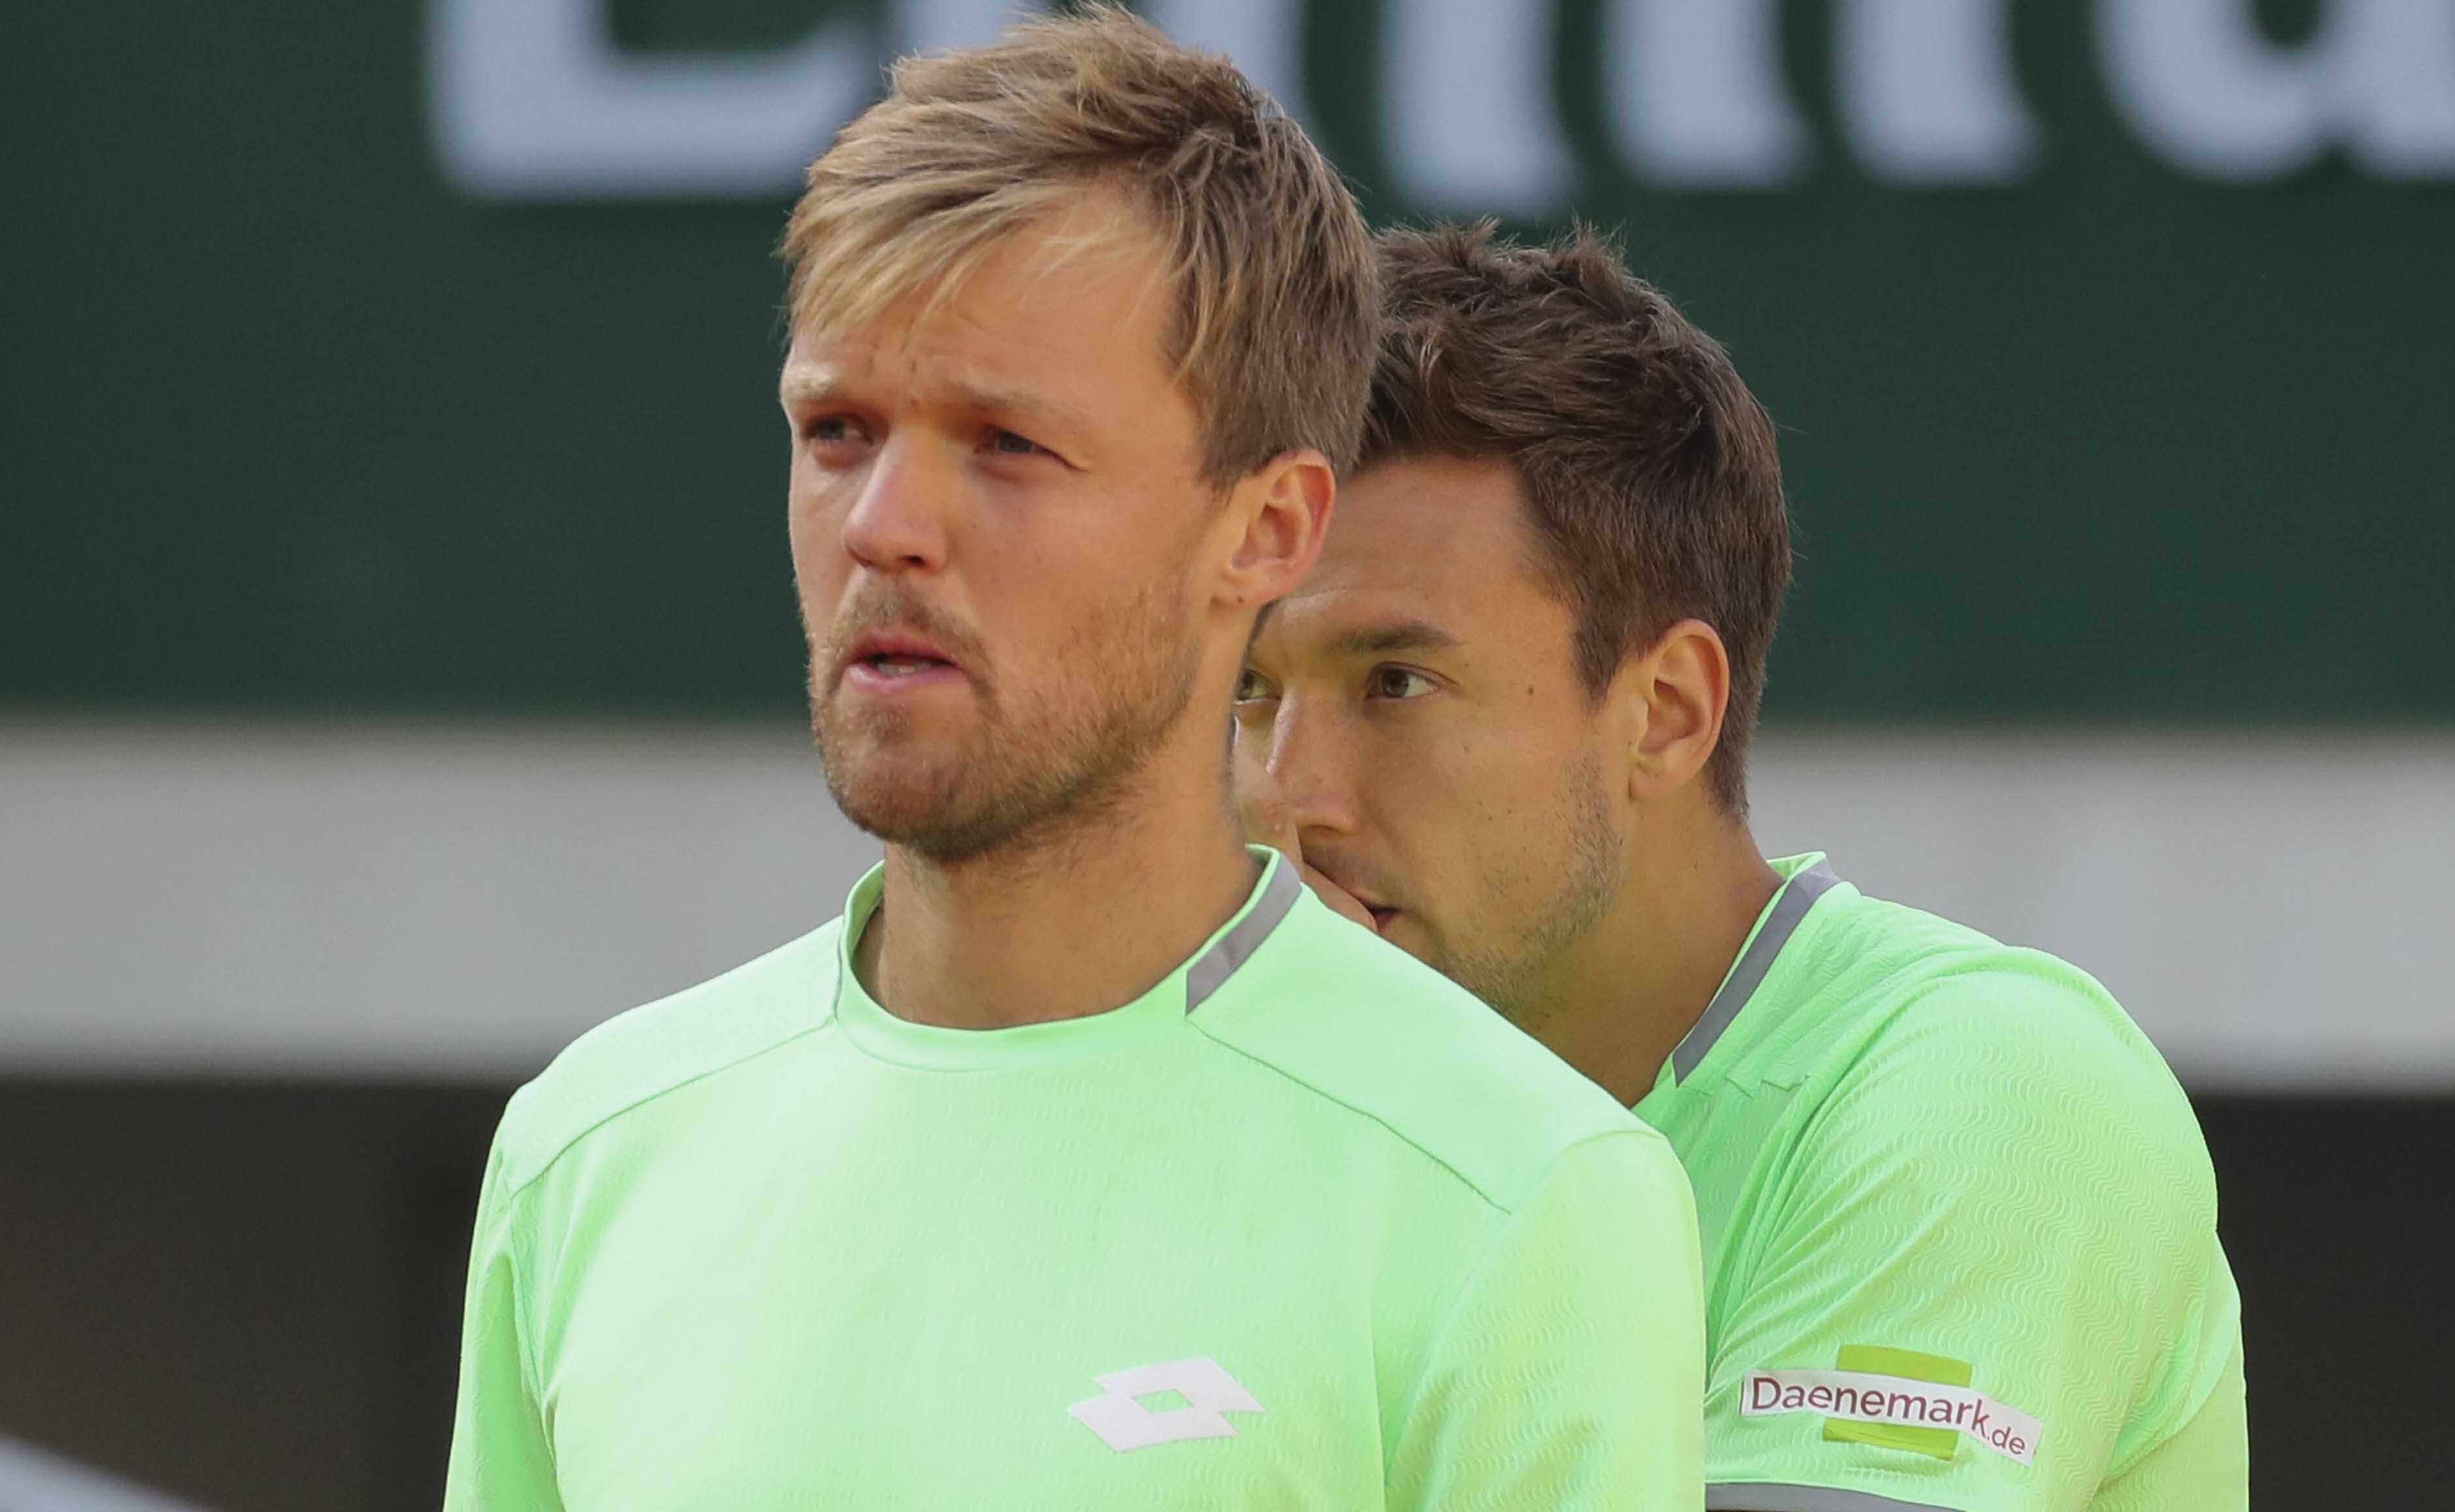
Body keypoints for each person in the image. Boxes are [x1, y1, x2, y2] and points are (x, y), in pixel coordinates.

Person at [442, 17, 1703, 1510]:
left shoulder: (1523, 1187)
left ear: (1268, 530)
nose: (886, 523)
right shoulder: (592, 1152)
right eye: (837, 429)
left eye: (1007, 444)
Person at [1234, 222, 2246, 1512]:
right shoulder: (1265, 1118)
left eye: (1398, 683)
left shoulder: (1982, 1082)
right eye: (1249, 690)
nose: (1286, 796)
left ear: (1664, 708)